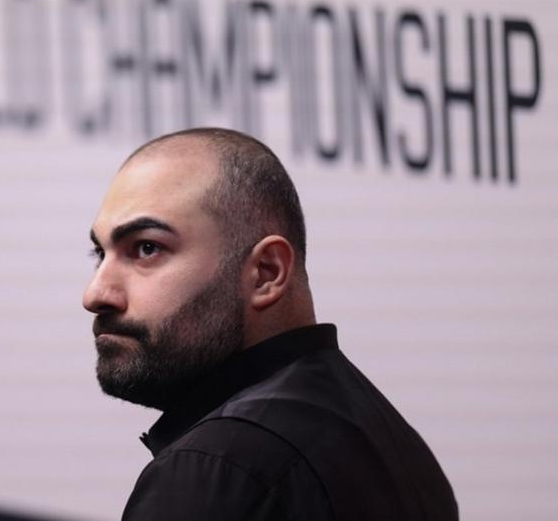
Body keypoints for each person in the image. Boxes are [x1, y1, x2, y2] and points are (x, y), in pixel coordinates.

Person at [82, 127, 458, 520]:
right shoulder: (390, 440)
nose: (95, 294)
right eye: (99, 253)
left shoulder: (213, 469)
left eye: (146, 248)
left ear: (266, 272)